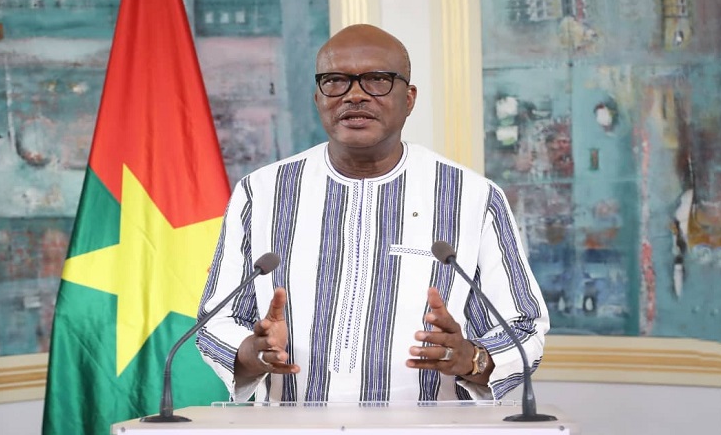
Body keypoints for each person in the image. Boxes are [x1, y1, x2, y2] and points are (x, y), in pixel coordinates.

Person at [196, 24, 549, 403]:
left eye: (377, 80)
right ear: (318, 98)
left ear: (409, 99)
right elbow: (216, 319)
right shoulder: (262, 192)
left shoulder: (472, 196)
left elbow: (524, 326)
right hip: (294, 425)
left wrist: (470, 358)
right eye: (336, 81)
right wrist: (253, 352)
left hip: (432, 427)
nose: (355, 95)